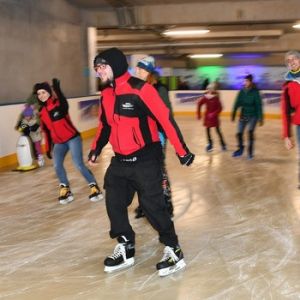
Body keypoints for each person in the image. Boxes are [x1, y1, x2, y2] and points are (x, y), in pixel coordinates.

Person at [88, 47, 195, 277]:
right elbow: (104, 125)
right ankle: (126, 245)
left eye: (102, 67)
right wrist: (96, 149)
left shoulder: (141, 90)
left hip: (146, 158)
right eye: (96, 69)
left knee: (152, 207)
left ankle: (173, 248)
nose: (98, 73)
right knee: (114, 201)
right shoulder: (106, 94)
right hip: (120, 161)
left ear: (114, 66)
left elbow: (165, 120)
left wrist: (182, 150)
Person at [33, 79, 103, 204]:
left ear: (49, 92)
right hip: (59, 143)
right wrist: (48, 148)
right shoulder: (42, 112)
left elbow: (65, 106)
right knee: (57, 165)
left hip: (73, 139)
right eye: (39, 93)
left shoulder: (58, 104)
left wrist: (58, 90)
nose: (41, 95)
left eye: (43, 92)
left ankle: (94, 187)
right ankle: (65, 189)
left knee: (78, 164)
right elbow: (47, 132)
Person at [133, 56, 174, 218]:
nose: (137, 71)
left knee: (159, 171)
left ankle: (166, 205)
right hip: (140, 136)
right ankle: (144, 205)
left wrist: (163, 134)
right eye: (137, 68)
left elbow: (166, 115)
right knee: (141, 172)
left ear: (149, 72)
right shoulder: (137, 88)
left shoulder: (159, 89)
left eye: (141, 69)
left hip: (158, 136)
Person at [231, 74, 263, 159]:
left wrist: (260, 118)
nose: (245, 82)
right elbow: (237, 103)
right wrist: (233, 113)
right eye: (244, 81)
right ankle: (240, 149)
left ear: (251, 82)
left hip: (253, 116)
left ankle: (250, 152)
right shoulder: (242, 92)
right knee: (239, 133)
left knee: (250, 132)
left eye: (247, 81)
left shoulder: (255, 92)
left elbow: (259, 105)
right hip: (244, 115)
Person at [281, 50, 300, 189]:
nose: (292, 62)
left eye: (294, 58)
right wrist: (286, 136)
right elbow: (285, 111)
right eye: (288, 61)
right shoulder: (287, 85)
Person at [196, 82, 226, 152]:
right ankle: (210, 144)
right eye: (208, 89)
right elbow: (199, 104)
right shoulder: (205, 97)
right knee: (208, 132)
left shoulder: (216, 98)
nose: (209, 91)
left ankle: (223, 144)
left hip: (214, 118)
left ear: (214, 90)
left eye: (211, 89)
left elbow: (220, 108)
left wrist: (214, 114)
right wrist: (198, 114)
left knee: (218, 131)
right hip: (207, 118)